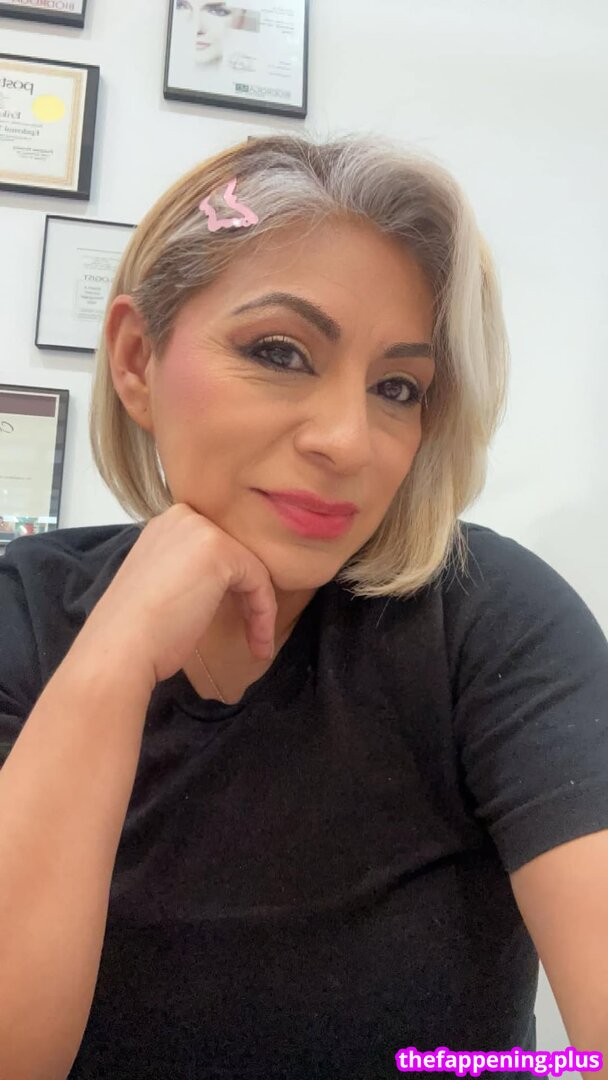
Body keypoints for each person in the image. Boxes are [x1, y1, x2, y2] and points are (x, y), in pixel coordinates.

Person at [0, 132, 606, 1080]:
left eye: (397, 388)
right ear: (136, 359)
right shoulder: (22, 613)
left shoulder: (489, 621)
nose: (348, 441)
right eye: (279, 352)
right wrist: (110, 661)